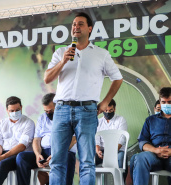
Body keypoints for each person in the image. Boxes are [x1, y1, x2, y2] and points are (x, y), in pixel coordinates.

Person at [44, 12, 123, 185]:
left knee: (87, 162)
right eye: (73, 24)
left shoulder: (101, 54)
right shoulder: (60, 52)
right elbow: (47, 78)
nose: (75, 27)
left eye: (80, 24)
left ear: (89, 28)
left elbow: (118, 78)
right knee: (57, 161)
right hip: (62, 109)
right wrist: (63, 61)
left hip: (87, 111)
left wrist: (105, 102)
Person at [16, 93, 76, 185]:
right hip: (44, 152)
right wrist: (37, 155)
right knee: (21, 157)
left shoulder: (70, 116)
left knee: (68, 157)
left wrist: (57, 153)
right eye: (46, 111)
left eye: (50, 111)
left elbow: (74, 138)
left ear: (58, 106)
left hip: (63, 151)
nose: (48, 113)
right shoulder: (42, 118)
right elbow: (36, 139)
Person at [130, 87, 171, 185]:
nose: (166, 105)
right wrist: (156, 150)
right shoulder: (150, 120)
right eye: (164, 102)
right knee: (139, 158)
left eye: (169, 102)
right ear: (160, 102)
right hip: (153, 155)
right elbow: (142, 142)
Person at [95, 99, 128, 181]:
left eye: (111, 110)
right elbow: (96, 139)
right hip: (102, 151)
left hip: (117, 151)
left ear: (114, 109)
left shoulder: (121, 120)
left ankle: (120, 181)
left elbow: (122, 139)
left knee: (121, 159)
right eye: (106, 110)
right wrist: (98, 150)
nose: (108, 112)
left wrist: (111, 153)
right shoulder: (98, 122)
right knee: (89, 159)